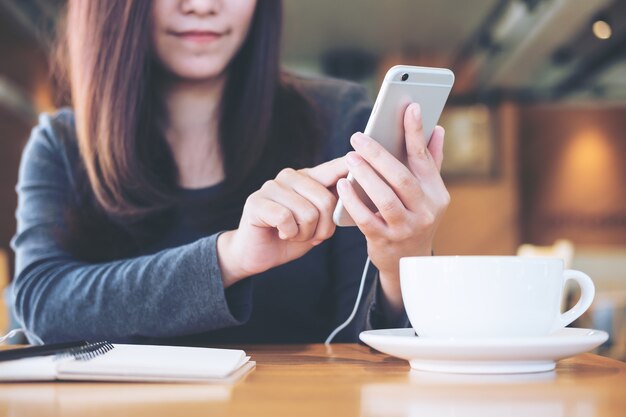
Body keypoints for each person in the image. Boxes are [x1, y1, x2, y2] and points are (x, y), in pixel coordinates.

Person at [11, 0, 450, 345]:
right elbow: (41, 304)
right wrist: (228, 259)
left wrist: (402, 263)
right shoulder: (63, 144)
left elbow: (367, 348)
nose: (203, 4)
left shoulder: (338, 119)